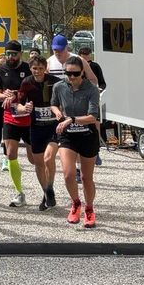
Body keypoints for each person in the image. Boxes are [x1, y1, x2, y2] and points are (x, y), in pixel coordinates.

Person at [53, 55, 102, 228]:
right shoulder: (59, 87)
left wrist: (71, 119)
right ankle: (75, 203)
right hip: (68, 136)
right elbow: (54, 104)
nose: (71, 77)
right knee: (68, 174)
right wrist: (57, 112)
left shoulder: (91, 89)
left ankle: (89, 208)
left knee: (87, 177)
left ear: (82, 72)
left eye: (75, 74)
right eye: (68, 74)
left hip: (87, 135)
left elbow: (92, 117)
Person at [18, 50, 61, 210]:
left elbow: (63, 100)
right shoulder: (26, 83)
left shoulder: (55, 82)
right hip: (35, 127)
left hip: (52, 127)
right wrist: (25, 108)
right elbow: (19, 104)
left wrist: (59, 111)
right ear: (31, 69)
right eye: (34, 68)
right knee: (38, 163)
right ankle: (46, 193)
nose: (37, 71)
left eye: (40, 68)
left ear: (45, 68)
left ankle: (49, 188)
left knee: (48, 159)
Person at [0, 40, 31, 207]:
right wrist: (6, 97)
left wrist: (15, 94)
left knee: (34, 158)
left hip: (29, 119)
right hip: (10, 118)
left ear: (20, 54)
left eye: (14, 54)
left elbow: (33, 92)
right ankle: (19, 192)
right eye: (8, 53)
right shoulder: (1, 71)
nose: (11, 57)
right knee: (11, 155)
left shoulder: (28, 69)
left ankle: (47, 187)